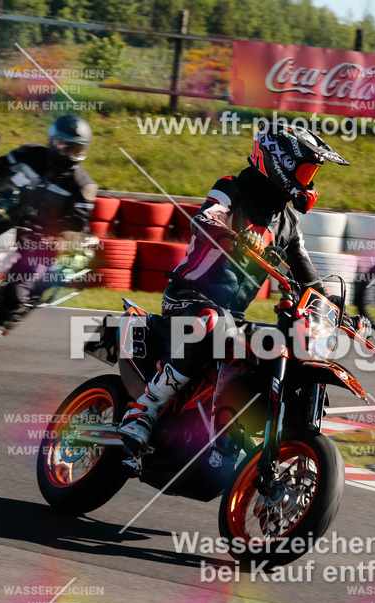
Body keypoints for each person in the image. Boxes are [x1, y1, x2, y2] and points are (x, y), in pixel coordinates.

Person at [117, 124, 351, 453]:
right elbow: (207, 218)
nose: (308, 182)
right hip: (188, 298)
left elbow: (309, 280)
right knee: (214, 321)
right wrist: (235, 239)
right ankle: (144, 408)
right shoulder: (233, 188)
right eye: (304, 171)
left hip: (233, 315)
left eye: (311, 173)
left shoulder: (288, 225)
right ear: (278, 164)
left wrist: (340, 313)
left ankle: (235, 428)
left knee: (275, 345)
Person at [0, 114, 98, 336]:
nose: (71, 153)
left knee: (20, 286)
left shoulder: (83, 185)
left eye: (77, 149)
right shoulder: (30, 153)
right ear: (54, 141)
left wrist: (66, 235)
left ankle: (1, 322)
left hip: (42, 238)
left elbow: (78, 221)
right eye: (67, 146)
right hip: (4, 217)